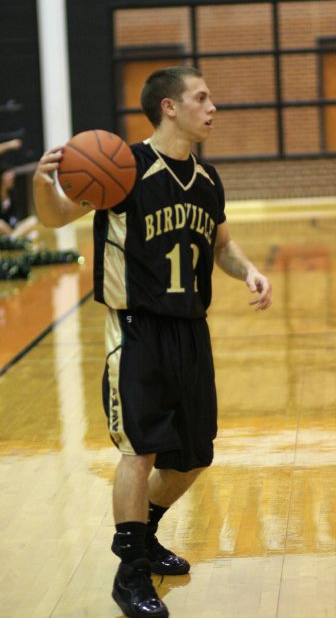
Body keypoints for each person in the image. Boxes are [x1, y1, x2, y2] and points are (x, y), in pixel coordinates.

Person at [33, 66, 272, 618]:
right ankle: (130, 573)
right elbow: (56, 218)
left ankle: (146, 539)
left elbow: (221, 246)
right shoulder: (122, 166)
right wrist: (44, 184)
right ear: (169, 106)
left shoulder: (208, 179)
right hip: (136, 328)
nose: (213, 107)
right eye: (202, 97)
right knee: (138, 451)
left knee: (192, 458)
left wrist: (249, 270)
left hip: (191, 329)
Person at [0, 138, 38, 238]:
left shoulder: (12, 193)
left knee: (32, 221)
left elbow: (15, 215)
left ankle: (12, 239)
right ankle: (16, 238)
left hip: (10, 228)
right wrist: (9, 145)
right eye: (9, 177)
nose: (12, 178)